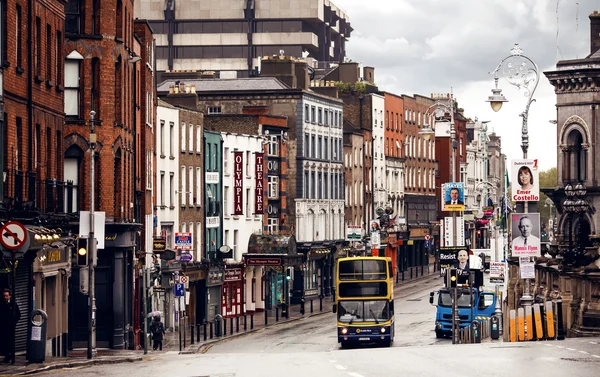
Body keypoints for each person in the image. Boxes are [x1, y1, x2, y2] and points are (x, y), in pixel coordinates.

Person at [0, 288, 21, 363]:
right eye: (4, 296)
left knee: (10, 341)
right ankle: (6, 356)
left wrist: (14, 323)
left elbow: (18, 315)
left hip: (10, 327)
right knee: (4, 341)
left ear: (10, 296)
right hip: (3, 327)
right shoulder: (1, 303)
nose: (5, 297)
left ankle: (10, 356)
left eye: (6, 296)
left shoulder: (13, 304)